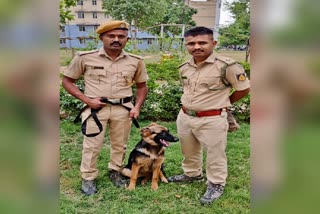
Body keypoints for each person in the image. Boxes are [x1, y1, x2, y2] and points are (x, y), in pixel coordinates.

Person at [62, 20, 149, 195]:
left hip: (123, 109)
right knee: (91, 145)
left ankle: (115, 171)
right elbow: (67, 81)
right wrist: (87, 100)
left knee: (120, 144)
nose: (116, 39)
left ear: (127, 39)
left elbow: (142, 86)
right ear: (102, 37)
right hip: (96, 109)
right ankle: (88, 177)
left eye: (121, 36)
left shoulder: (135, 61)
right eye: (111, 36)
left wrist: (137, 107)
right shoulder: (85, 58)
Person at [167, 26, 250, 204]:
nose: (196, 46)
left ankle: (216, 183)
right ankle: (192, 174)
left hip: (212, 118)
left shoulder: (227, 66)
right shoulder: (184, 67)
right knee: (188, 150)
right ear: (186, 45)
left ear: (213, 43)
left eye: (202, 42)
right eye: (191, 43)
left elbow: (244, 89)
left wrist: (223, 103)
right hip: (185, 116)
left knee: (215, 153)